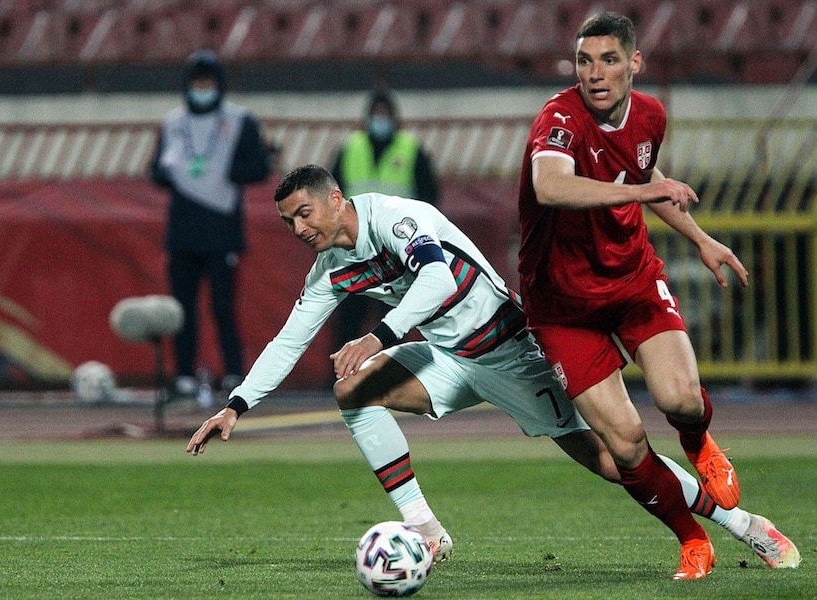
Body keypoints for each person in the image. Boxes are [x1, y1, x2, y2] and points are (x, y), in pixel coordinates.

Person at [187, 165, 798, 572]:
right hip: (450, 359)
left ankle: (746, 524)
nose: (298, 229)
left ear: (336, 200)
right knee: (354, 391)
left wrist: (378, 335)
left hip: (511, 352)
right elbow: (290, 339)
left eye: (304, 214)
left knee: (616, 461)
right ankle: (426, 530)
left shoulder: (397, 217)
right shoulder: (329, 269)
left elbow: (438, 278)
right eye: (288, 222)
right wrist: (237, 405)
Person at [517, 12, 799, 579]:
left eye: (609, 60)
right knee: (624, 445)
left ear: (634, 63)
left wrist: (700, 238)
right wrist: (643, 192)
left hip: (631, 280)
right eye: (585, 61)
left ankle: (699, 442)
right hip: (563, 306)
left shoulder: (651, 116)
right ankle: (692, 538)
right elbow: (550, 185)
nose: (595, 73)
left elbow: (645, 175)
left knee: (682, 399)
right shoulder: (559, 118)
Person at [150, 49, 273, 399]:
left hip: (221, 229)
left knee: (223, 307)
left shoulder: (240, 120)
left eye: (208, 82)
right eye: (197, 82)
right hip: (184, 229)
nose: (202, 89)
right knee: (182, 309)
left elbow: (259, 167)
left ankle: (234, 373)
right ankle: (184, 376)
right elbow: (155, 169)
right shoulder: (173, 122)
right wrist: (166, 174)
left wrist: (232, 171)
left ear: (219, 84)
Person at [327, 90, 440, 357]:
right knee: (349, 316)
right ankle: (343, 372)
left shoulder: (410, 149)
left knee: (393, 318)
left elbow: (429, 195)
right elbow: (331, 193)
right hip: (356, 248)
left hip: (396, 248)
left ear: (394, 118)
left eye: (384, 114)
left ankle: (389, 370)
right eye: (376, 114)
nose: (380, 120)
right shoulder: (351, 147)